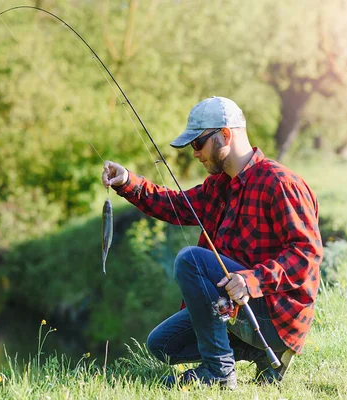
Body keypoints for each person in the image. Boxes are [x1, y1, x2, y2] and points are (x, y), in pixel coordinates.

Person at [101, 96, 323, 389]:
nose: (195, 153)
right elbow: (176, 206)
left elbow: (306, 255)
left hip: (277, 316)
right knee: (162, 344)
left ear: (225, 135)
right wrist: (128, 181)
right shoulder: (219, 186)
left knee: (191, 259)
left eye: (198, 144)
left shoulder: (280, 183)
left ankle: (219, 371)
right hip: (237, 311)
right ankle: (255, 354)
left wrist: (250, 280)